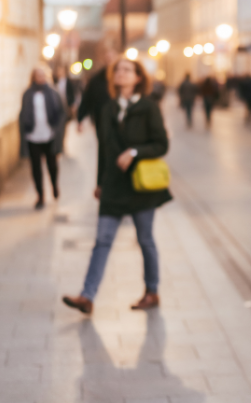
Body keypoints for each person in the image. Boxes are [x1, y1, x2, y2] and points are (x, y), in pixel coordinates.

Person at [62, 58, 172, 314]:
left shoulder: (149, 107)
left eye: (126, 70)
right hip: (113, 185)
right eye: (117, 71)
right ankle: (86, 297)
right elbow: (104, 148)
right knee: (102, 239)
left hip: (140, 186)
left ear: (138, 78)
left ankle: (152, 291)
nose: (120, 74)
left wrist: (134, 152)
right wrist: (100, 182)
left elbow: (161, 144)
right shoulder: (108, 108)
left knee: (145, 240)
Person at [19, 66, 64, 209]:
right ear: (33, 77)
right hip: (33, 135)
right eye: (38, 75)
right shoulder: (27, 94)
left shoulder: (53, 93)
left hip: (49, 134)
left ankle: (54, 186)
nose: (41, 78)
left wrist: (57, 129)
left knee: (52, 165)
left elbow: (62, 111)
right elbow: (23, 113)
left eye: (43, 75)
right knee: (36, 168)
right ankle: (40, 196)